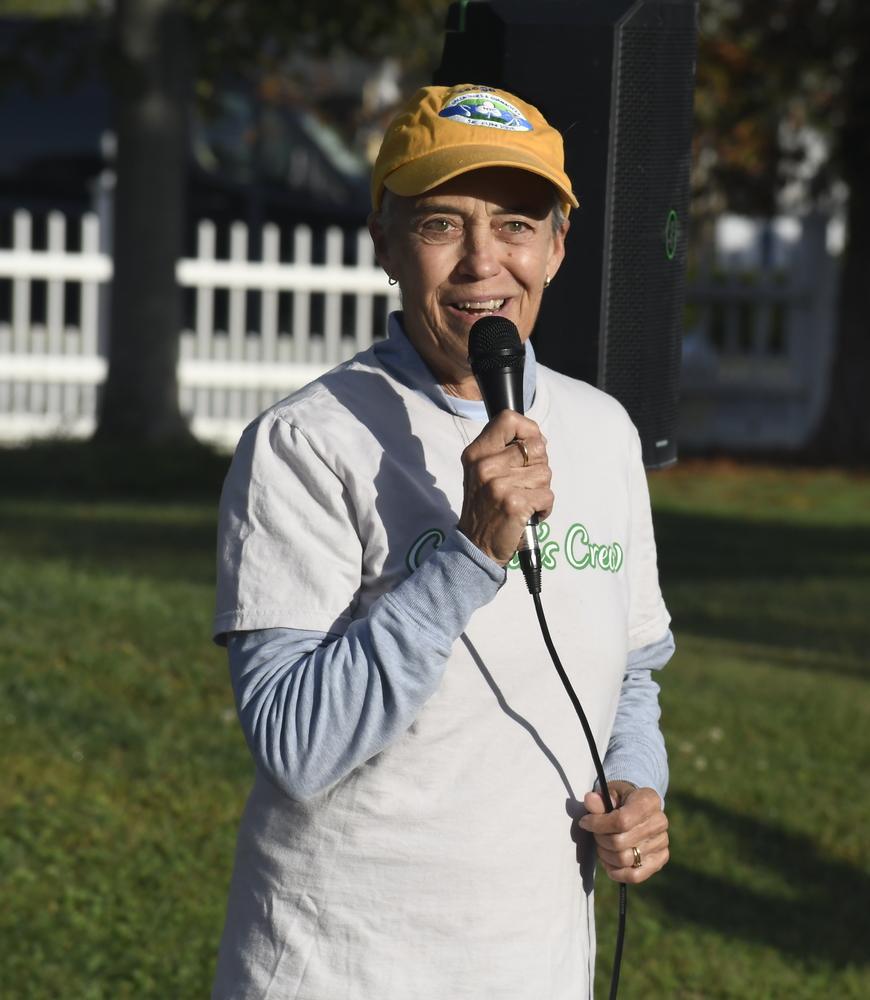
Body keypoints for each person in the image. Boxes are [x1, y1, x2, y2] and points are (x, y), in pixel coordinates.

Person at [210, 84, 672, 999]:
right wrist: (470, 555)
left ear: (558, 246)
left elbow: (629, 675)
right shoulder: (307, 442)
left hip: (535, 964)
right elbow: (299, 747)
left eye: (515, 224)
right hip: (341, 966)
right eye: (440, 225)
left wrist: (636, 786)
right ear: (383, 241)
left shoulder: (602, 430)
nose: (481, 263)